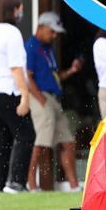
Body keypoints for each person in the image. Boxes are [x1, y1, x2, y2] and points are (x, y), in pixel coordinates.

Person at [0, 0, 35, 193]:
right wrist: (25, 96)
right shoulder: (12, 33)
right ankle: (17, 183)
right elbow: (15, 67)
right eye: (19, 9)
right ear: (12, 10)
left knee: (2, 139)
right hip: (7, 91)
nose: (20, 13)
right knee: (26, 135)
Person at [25, 12, 83, 191]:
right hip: (41, 97)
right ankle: (31, 183)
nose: (55, 35)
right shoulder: (31, 47)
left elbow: (55, 76)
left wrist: (71, 71)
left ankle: (73, 185)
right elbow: (28, 77)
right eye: (52, 31)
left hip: (54, 98)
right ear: (41, 27)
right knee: (42, 141)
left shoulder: (48, 48)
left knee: (68, 141)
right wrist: (41, 99)